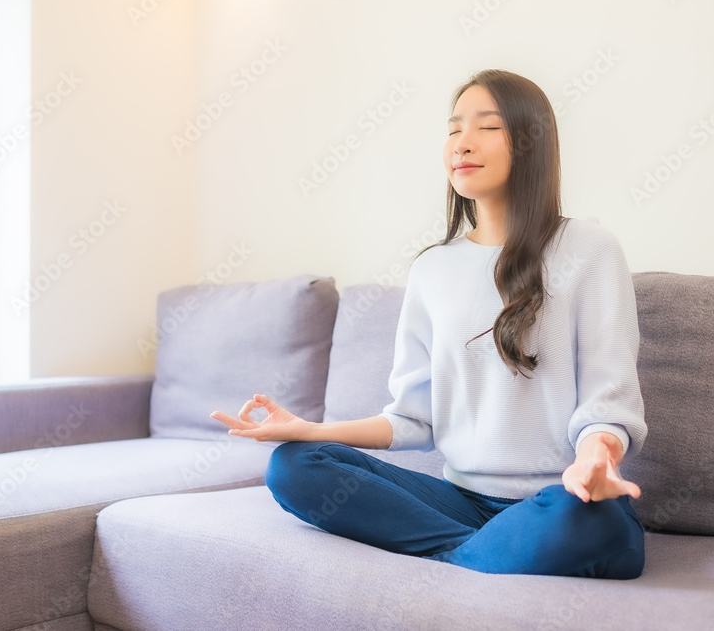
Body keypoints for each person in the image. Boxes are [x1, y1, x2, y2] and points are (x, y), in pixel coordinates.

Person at [209, 69, 649, 580]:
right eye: (454, 128)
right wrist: (310, 430)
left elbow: (607, 403)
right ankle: (480, 556)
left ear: (533, 142)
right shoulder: (432, 269)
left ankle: (458, 559)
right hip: (460, 502)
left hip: (561, 499)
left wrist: (595, 459)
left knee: (594, 522)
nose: (462, 142)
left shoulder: (591, 250)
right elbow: (414, 419)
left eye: (488, 126)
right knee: (294, 467)